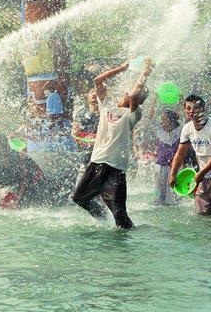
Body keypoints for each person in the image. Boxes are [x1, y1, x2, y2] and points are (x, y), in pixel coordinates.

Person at [72, 59, 153, 229]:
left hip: (115, 166)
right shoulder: (106, 108)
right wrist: (121, 68)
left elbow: (134, 94)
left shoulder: (133, 114)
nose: (130, 91)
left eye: (137, 94)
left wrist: (146, 72)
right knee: (79, 198)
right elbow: (97, 81)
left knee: (120, 215)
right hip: (97, 161)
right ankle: (103, 220)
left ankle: (125, 242)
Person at [169, 95, 211, 215]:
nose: (191, 111)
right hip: (203, 177)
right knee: (202, 215)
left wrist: (201, 173)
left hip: (202, 174)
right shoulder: (187, 129)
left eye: (195, 108)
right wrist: (172, 173)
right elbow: (180, 153)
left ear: (203, 109)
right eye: (188, 108)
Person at [153, 110, 182, 205]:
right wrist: (154, 99)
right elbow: (149, 118)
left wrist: (182, 101)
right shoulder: (159, 130)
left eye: (165, 120)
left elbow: (188, 120)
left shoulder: (180, 131)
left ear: (172, 121)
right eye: (161, 120)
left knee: (172, 196)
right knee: (158, 197)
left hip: (175, 167)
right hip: (160, 166)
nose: (162, 122)